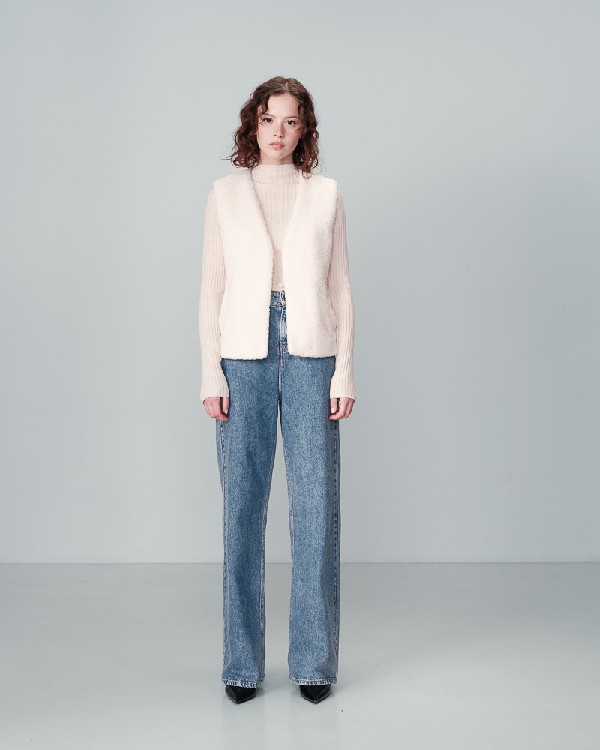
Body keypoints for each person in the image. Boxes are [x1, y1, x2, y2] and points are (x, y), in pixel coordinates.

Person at [198, 76, 356, 705]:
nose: (279, 132)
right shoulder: (224, 195)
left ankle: (314, 663)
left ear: (304, 129)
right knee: (242, 510)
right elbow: (211, 288)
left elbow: (341, 286)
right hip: (243, 354)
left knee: (316, 509)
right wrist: (210, 373)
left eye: (291, 121)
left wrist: (345, 371)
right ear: (253, 126)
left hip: (314, 352)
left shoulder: (327, 194)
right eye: (269, 120)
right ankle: (242, 665)